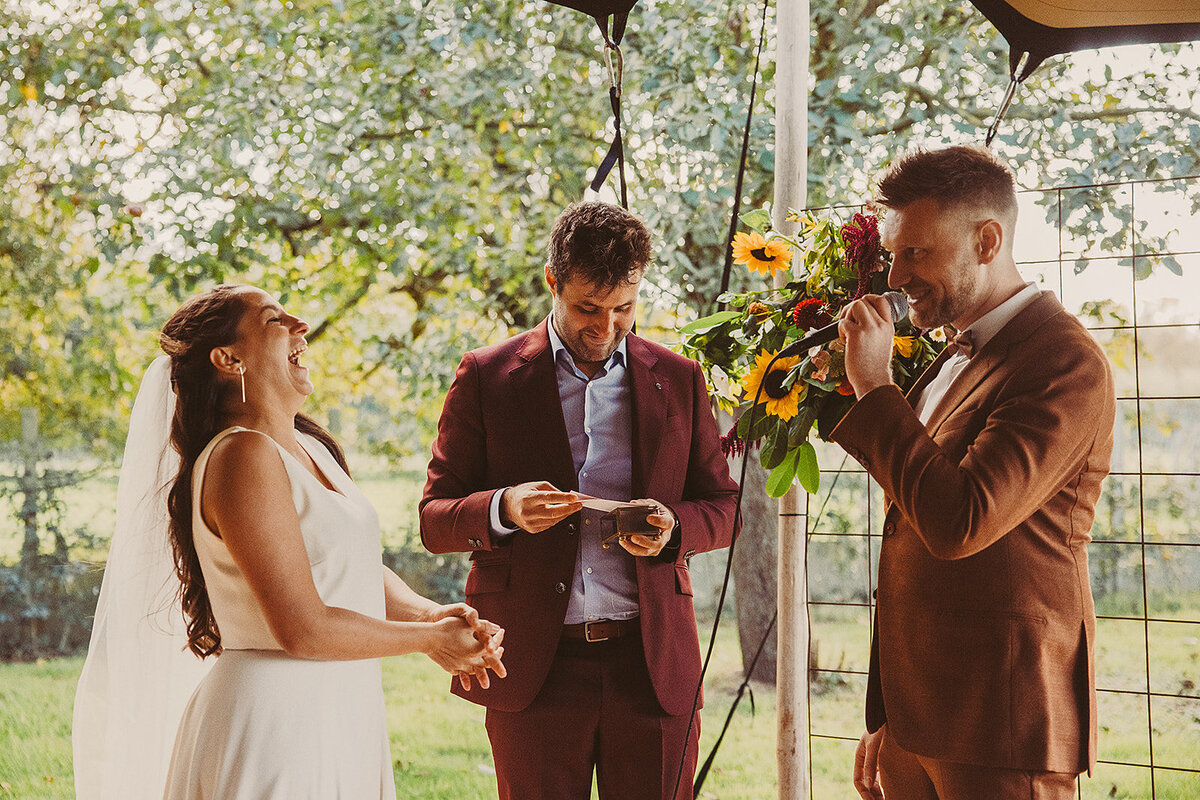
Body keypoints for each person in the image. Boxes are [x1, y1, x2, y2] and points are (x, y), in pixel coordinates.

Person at [73, 284, 505, 800]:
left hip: (339, 708)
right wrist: (430, 642)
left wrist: (430, 615)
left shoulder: (310, 449)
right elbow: (302, 628)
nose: (301, 325)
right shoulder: (242, 457)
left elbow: (349, 566)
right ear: (228, 359)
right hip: (276, 724)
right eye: (275, 319)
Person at [420, 201, 739, 800]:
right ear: (553, 281)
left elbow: (723, 506)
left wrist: (674, 528)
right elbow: (435, 520)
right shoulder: (486, 377)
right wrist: (503, 509)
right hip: (534, 668)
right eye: (587, 308)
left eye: (623, 308)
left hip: (651, 668)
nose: (606, 327)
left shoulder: (680, 378)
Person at [832, 146, 1115, 800]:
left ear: (987, 241)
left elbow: (961, 521)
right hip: (920, 720)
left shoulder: (1062, 361)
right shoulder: (957, 354)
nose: (895, 275)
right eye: (895, 253)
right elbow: (910, 518)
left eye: (917, 253)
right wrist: (888, 713)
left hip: (1000, 727)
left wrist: (876, 386)